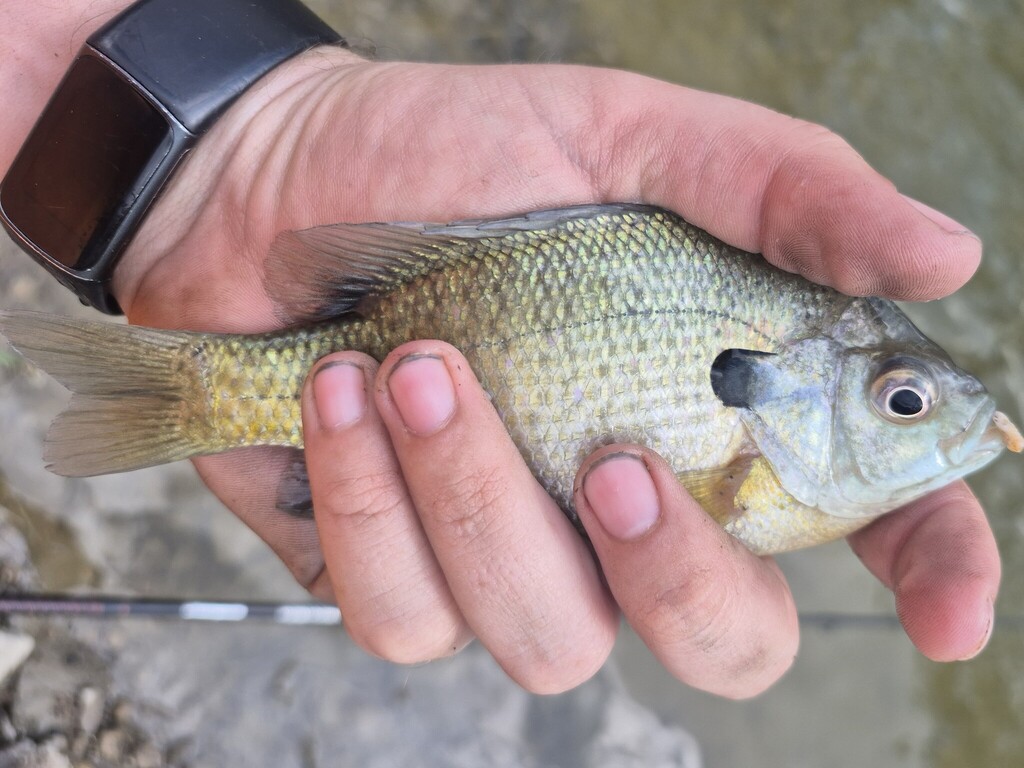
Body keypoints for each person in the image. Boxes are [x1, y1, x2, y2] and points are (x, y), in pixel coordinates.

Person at [0, 0, 1000, 699]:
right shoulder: (767, 474)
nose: (925, 418)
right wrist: (239, 148)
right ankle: (189, 394)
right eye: (901, 401)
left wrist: (223, 146)